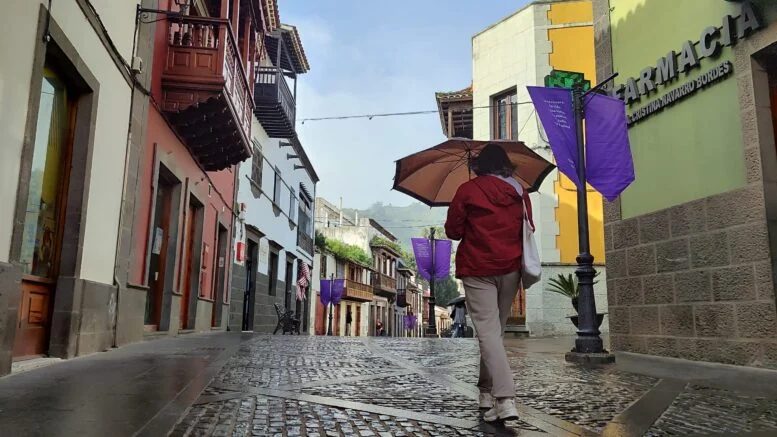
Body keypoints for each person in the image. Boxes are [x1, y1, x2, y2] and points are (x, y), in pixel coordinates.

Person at [444, 143, 531, 423]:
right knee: (493, 333)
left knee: (488, 333)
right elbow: (526, 228)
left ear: (480, 166)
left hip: (478, 268)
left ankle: (505, 399)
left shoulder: (467, 191)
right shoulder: (520, 191)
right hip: (511, 268)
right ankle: (485, 392)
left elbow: (454, 231)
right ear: (507, 165)